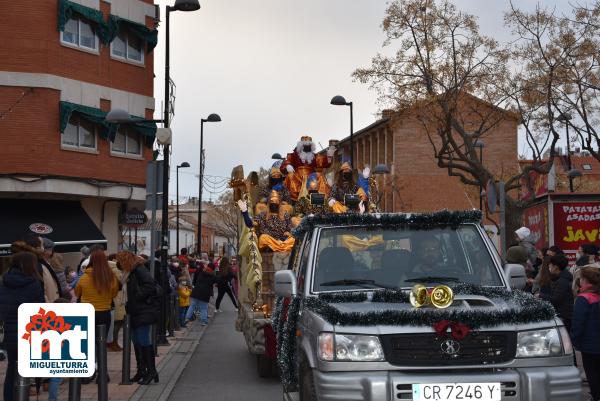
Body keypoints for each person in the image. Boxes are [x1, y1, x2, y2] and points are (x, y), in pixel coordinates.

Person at [0, 252, 45, 401]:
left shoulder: (4, 282)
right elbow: (40, 311)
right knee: (25, 369)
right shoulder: (34, 283)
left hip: (9, 332)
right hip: (28, 332)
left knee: (12, 366)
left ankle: (9, 397)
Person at [75, 249, 119, 383]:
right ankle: (102, 373)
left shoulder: (84, 278)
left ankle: (87, 373)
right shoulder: (110, 278)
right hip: (104, 313)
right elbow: (114, 294)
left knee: (87, 344)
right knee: (101, 344)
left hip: (86, 313)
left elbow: (77, 294)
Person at [117, 251, 160, 385]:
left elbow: (150, 285)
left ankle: (151, 371)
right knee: (136, 340)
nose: (119, 264)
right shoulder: (131, 271)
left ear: (126, 261)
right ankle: (142, 370)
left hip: (143, 311)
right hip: (136, 311)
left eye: (121, 261)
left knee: (143, 340)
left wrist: (136, 297)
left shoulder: (139, 270)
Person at [571, 267, 600, 401]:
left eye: (581, 279)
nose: (580, 281)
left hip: (589, 343)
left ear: (586, 280)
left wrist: (574, 340)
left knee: (592, 372)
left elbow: (578, 322)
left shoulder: (583, 299)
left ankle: (596, 396)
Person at [539, 253, 573, 331]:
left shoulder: (562, 281)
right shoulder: (561, 278)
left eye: (550, 265)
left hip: (564, 316)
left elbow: (556, 299)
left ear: (556, 267)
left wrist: (540, 296)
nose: (549, 267)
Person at [107, 255, 126, 352]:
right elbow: (123, 281)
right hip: (118, 298)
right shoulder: (116, 270)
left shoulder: (110, 269)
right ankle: (113, 342)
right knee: (117, 322)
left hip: (117, 298)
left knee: (117, 322)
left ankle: (113, 342)